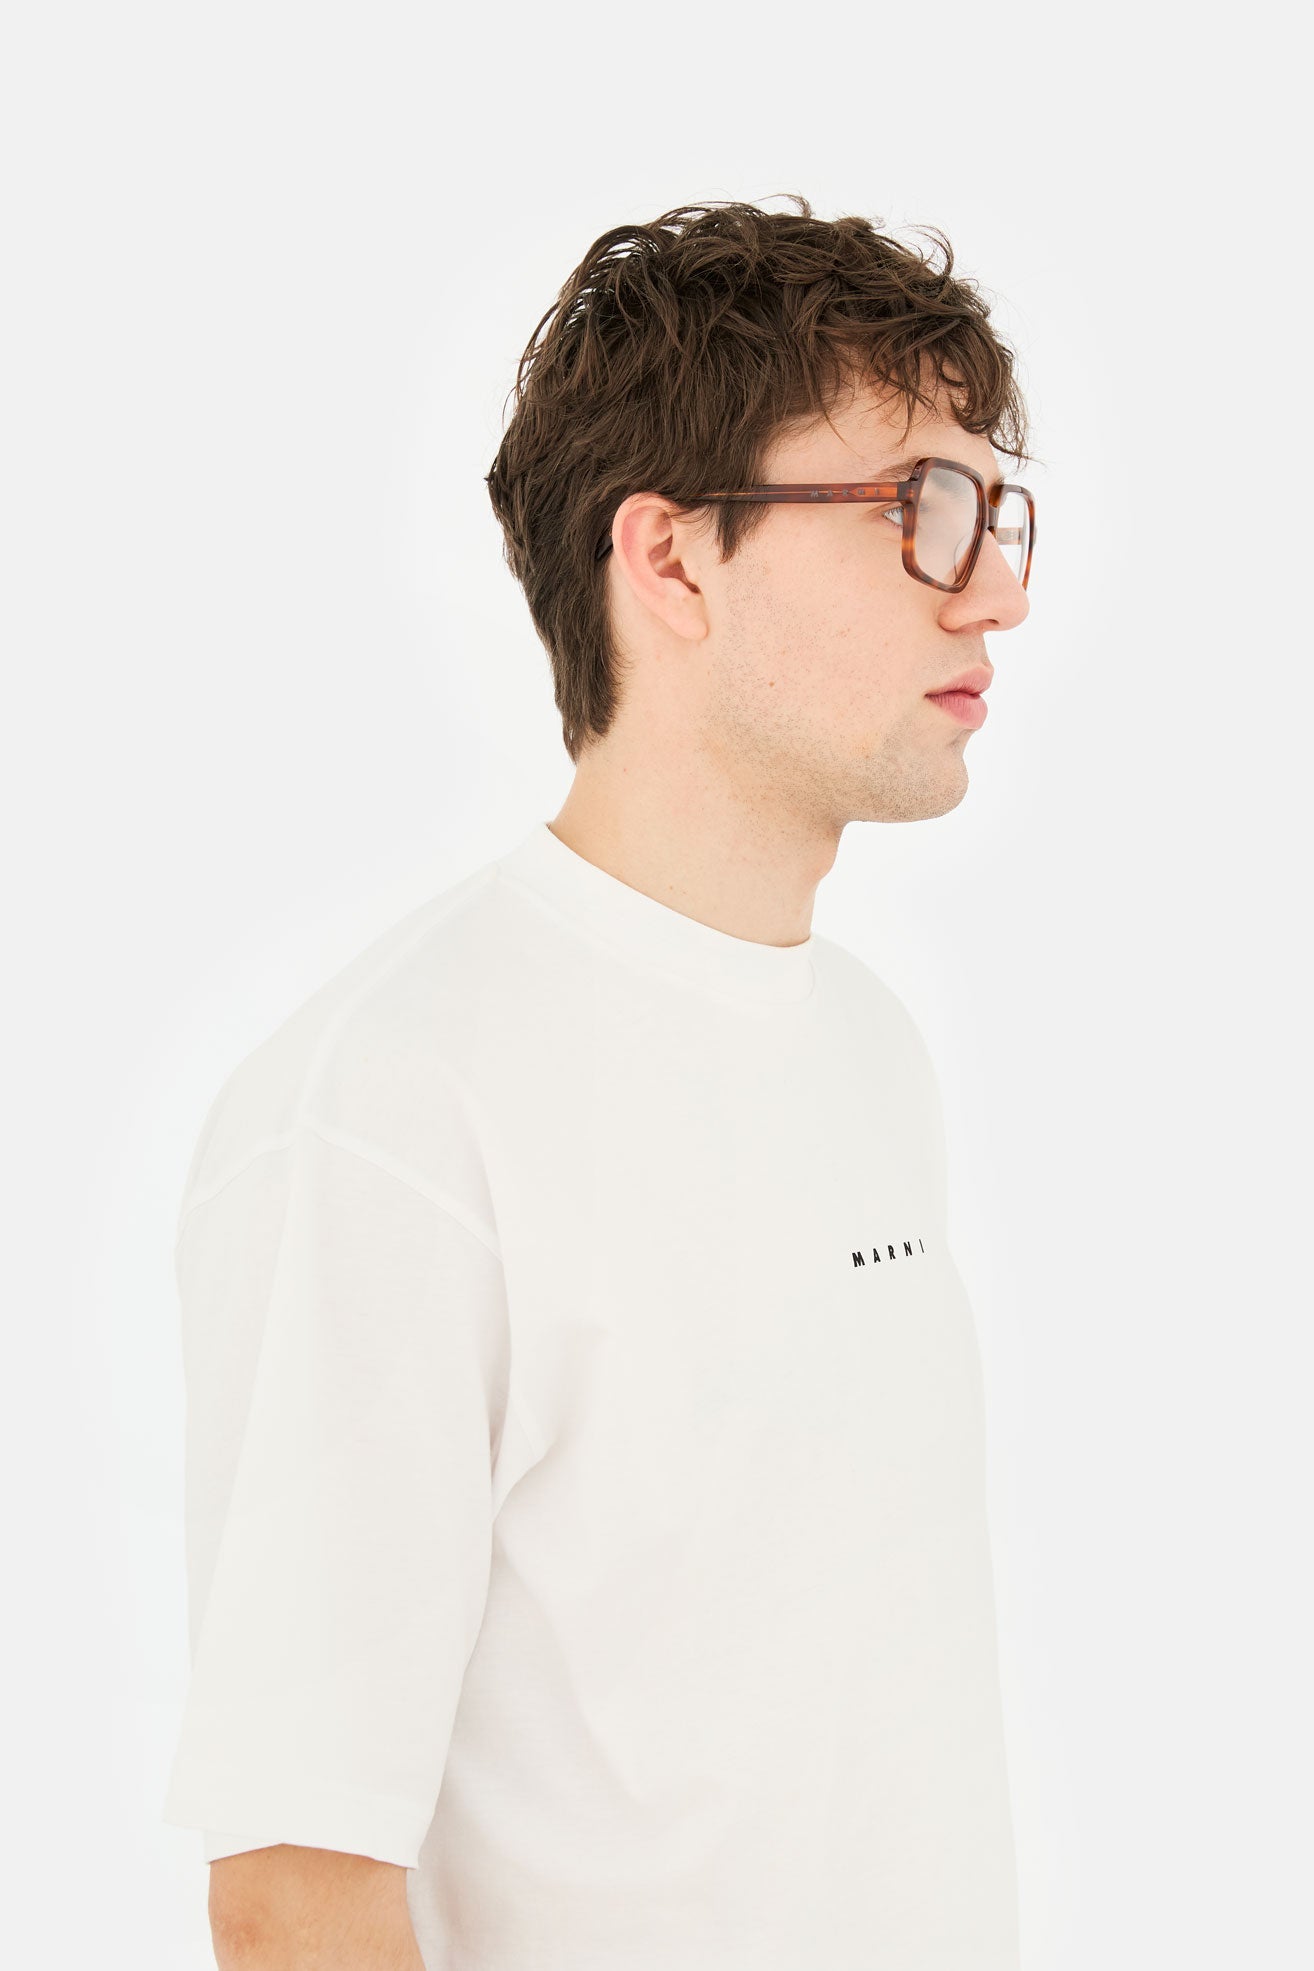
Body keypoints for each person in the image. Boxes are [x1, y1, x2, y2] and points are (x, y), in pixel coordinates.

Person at [162, 194, 1038, 1971]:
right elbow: (297, 1883)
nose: (997, 589)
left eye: (994, 510)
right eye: (916, 509)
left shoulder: (866, 1042)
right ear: (672, 560)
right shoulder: (390, 1106)